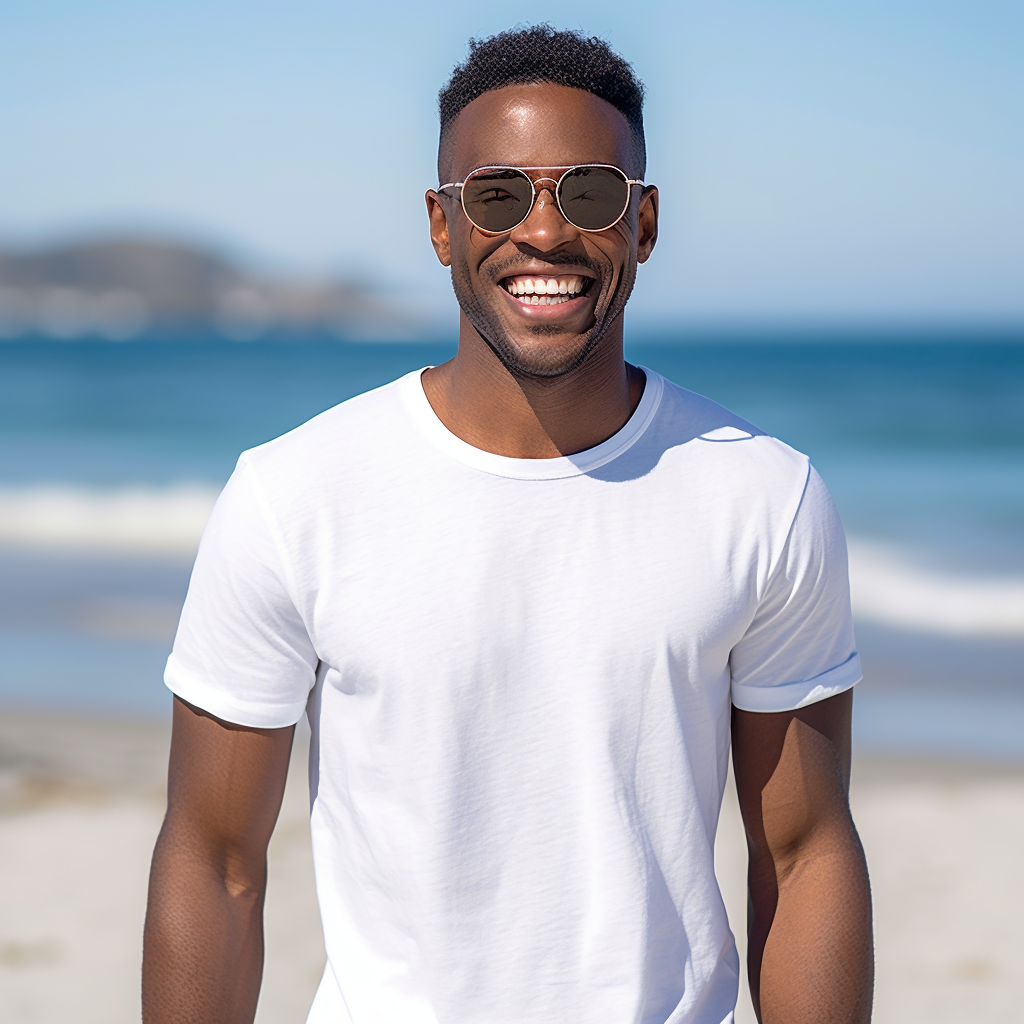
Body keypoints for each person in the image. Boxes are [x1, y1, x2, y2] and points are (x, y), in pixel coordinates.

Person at [143, 25, 873, 1024]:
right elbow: (213, 857)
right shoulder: (294, 494)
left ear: (643, 221)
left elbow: (803, 849)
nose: (544, 232)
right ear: (443, 228)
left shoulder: (763, 495)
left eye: (589, 192)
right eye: (496, 194)